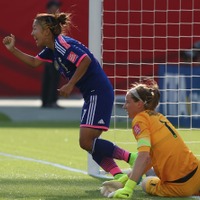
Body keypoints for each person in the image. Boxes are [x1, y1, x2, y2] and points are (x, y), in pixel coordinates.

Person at [2, 12, 137, 179]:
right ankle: (118, 176)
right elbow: (34, 62)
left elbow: (85, 60)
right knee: (90, 144)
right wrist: (12, 49)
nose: (31, 33)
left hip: (98, 92)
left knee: (86, 142)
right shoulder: (51, 49)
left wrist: (70, 84)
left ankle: (132, 159)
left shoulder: (62, 45)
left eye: (34, 29)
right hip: (92, 95)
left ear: (46, 31)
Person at [101, 78, 200, 198]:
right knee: (150, 169)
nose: (124, 106)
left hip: (179, 186)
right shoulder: (158, 116)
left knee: (145, 183)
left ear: (139, 104)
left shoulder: (139, 120)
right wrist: (122, 181)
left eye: (128, 102)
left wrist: (127, 188)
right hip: (197, 174)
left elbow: (144, 156)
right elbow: (150, 159)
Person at [41, 0, 62, 108]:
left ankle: (47, 101)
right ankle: (49, 101)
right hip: (50, 52)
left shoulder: (54, 21)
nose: (57, 10)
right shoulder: (46, 21)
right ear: (49, 9)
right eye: (55, 7)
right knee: (52, 77)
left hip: (53, 52)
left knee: (51, 77)